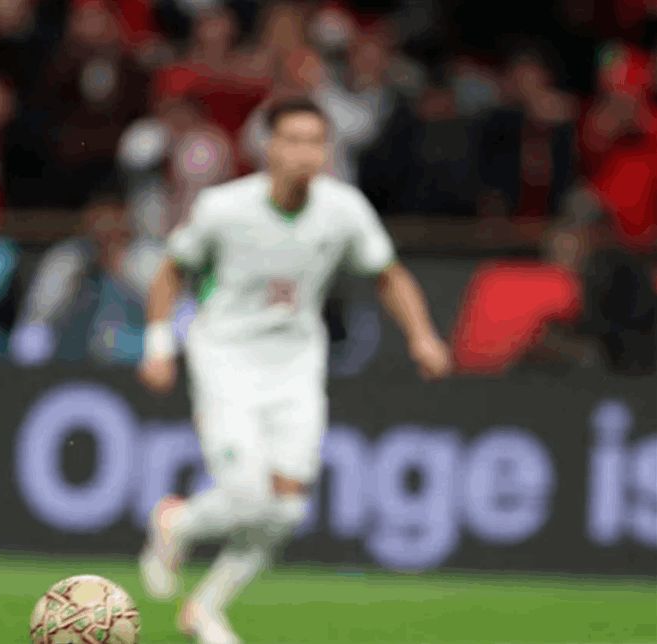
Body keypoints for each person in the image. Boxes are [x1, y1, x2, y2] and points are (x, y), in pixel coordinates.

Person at [136, 97, 452, 644]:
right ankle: (177, 523)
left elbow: (389, 274)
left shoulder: (343, 209)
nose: (306, 152)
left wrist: (422, 335)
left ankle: (205, 608)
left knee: (285, 511)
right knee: (246, 496)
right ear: (269, 148)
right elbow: (170, 272)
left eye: (316, 141)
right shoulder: (224, 208)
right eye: (294, 140)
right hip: (226, 357)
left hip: (297, 365)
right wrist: (159, 345)